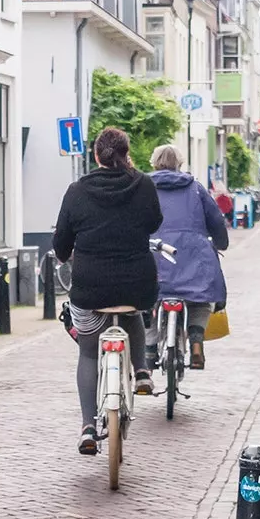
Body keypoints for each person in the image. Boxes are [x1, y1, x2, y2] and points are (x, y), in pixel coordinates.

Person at [52, 127, 164, 455]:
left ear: (97, 155)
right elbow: (155, 223)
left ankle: (88, 426)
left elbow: (61, 245)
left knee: (88, 352)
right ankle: (142, 370)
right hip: (137, 283)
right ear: (127, 153)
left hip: (90, 288)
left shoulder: (77, 190)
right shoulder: (143, 184)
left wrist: (67, 251)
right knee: (132, 310)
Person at [147, 145, 229, 371]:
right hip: (193, 256)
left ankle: (149, 347)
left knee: (146, 297)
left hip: (154, 255)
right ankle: (196, 341)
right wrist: (221, 243)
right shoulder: (195, 188)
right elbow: (216, 220)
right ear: (180, 164)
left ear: (154, 163)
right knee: (202, 297)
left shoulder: (142, 187)